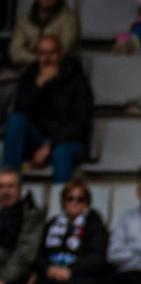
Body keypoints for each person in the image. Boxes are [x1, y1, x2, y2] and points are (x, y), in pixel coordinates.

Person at [3, 36, 93, 184]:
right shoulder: (30, 77)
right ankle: (8, 182)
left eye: (52, 53)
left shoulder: (77, 80)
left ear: (61, 54)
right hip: (37, 140)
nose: (47, 59)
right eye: (43, 54)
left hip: (68, 143)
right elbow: (19, 113)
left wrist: (51, 144)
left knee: (61, 152)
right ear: (37, 56)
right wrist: (37, 86)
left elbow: (80, 124)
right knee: (16, 120)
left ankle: (61, 204)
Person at [25, 180, 109, 284]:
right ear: (63, 202)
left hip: (78, 279)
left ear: (87, 202)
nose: (74, 202)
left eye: (80, 199)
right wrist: (48, 269)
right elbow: (37, 253)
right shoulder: (53, 223)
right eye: (70, 198)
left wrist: (70, 271)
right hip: (50, 277)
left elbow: (97, 258)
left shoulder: (94, 224)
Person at [0, 170, 47, 284]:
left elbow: (25, 254)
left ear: (20, 188)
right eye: (1, 186)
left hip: (16, 277)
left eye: (10, 186)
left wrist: (4, 278)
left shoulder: (30, 214)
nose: (5, 191)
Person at [9, 0, 80, 67]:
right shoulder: (23, 21)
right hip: (27, 69)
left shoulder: (69, 20)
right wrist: (36, 58)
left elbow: (62, 50)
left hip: (60, 70)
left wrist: (44, 57)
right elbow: (15, 53)